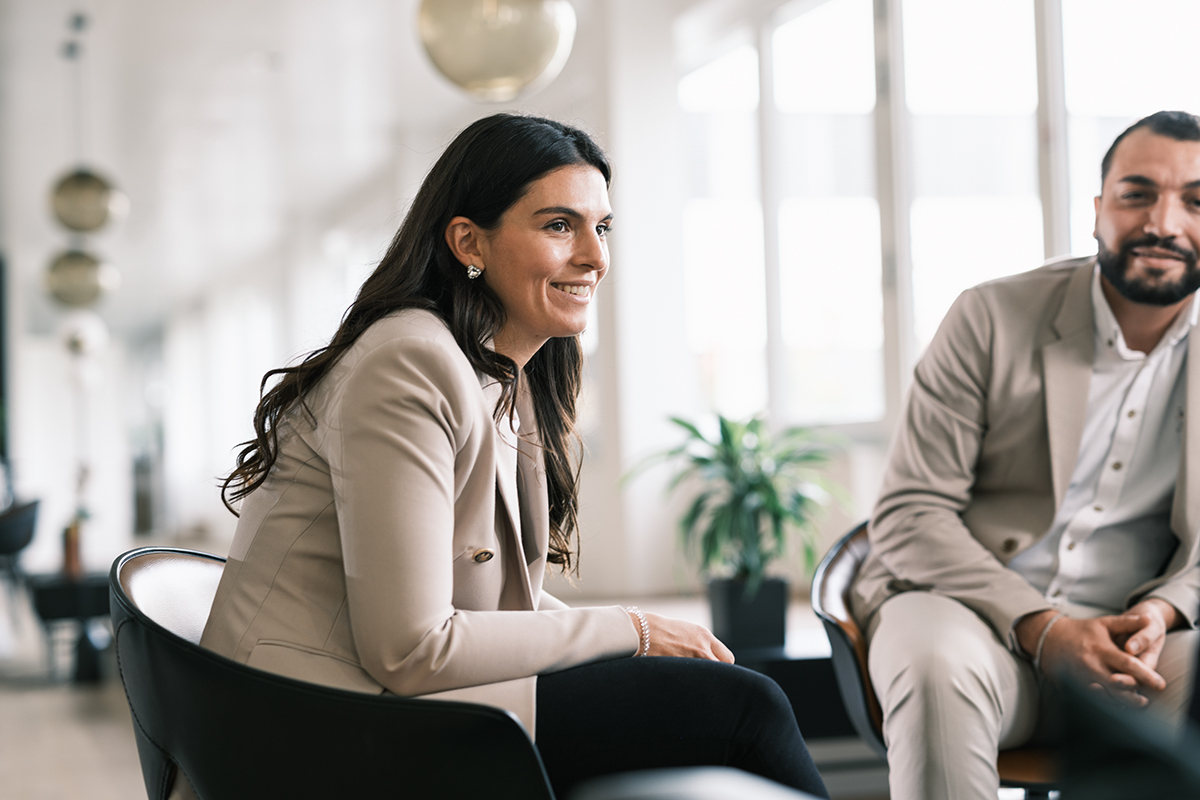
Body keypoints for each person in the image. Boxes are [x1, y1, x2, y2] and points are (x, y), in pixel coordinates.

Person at [194, 113, 828, 800]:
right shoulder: (407, 360)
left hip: (381, 702)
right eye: (560, 226)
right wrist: (630, 630)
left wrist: (639, 635)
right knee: (745, 710)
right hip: (315, 731)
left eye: (602, 227)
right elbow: (410, 649)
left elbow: (496, 605)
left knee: (726, 694)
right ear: (469, 241)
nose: (595, 256)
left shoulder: (496, 373)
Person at [850, 109, 1200, 800]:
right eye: (1137, 194)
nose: (1165, 222)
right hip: (969, 613)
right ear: (1097, 210)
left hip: (1143, 640)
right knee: (932, 664)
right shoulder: (989, 316)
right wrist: (1044, 626)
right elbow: (910, 513)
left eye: (1197, 200)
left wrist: (1164, 611)